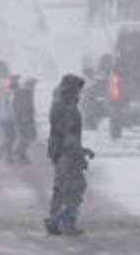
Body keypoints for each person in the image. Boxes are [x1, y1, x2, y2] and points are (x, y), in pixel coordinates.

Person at [45, 74, 94, 236]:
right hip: (67, 154)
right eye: (77, 89)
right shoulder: (68, 108)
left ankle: (55, 219)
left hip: (60, 152)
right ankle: (63, 221)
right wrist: (80, 155)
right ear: (71, 89)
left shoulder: (59, 104)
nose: (79, 93)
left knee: (61, 188)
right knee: (76, 187)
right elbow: (69, 137)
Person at [0, 76, 18, 163]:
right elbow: (12, 108)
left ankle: (2, 152)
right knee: (11, 137)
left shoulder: (5, 92)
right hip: (8, 119)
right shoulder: (11, 94)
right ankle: (4, 154)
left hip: (3, 118)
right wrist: (15, 119)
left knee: (9, 137)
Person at [13, 77, 37, 164]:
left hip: (21, 118)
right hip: (25, 118)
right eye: (33, 84)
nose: (34, 86)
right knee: (27, 137)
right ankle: (20, 154)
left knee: (25, 137)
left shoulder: (21, 91)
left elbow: (17, 106)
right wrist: (26, 118)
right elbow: (26, 106)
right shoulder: (27, 92)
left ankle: (20, 153)